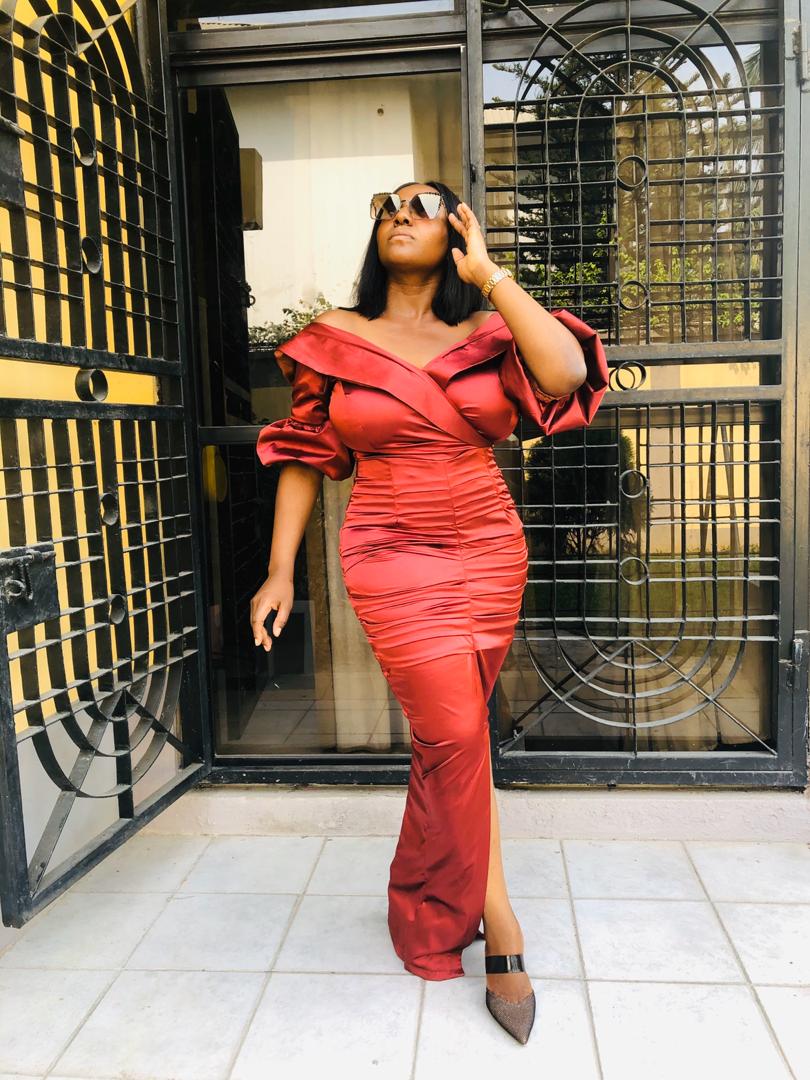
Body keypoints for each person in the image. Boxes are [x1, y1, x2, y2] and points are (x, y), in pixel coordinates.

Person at [250, 180, 608, 1044]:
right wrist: (279, 570)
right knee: (454, 732)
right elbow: (305, 454)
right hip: (390, 549)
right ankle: (502, 923)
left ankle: (423, 903)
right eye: (387, 206)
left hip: (489, 544)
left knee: (454, 738)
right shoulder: (336, 338)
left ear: (456, 231)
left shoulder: (489, 329)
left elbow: (565, 374)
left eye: (424, 204)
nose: (401, 214)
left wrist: (492, 277)